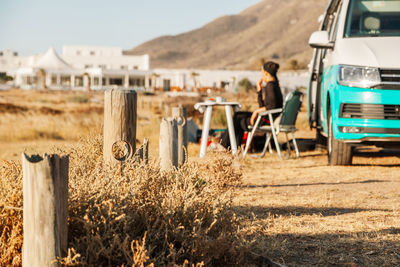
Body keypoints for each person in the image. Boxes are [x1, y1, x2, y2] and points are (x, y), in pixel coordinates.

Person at [220, 61, 283, 150]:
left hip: (266, 120)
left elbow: (271, 107)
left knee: (239, 120)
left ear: (266, 73)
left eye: (262, 72)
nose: (261, 75)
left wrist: (256, 112)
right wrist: (259, 91)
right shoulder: (274, 85)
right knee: (238, 116)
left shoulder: (270, 86)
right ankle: (232, 147)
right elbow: (264, 106)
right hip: (267, 117)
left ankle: (226, 146)